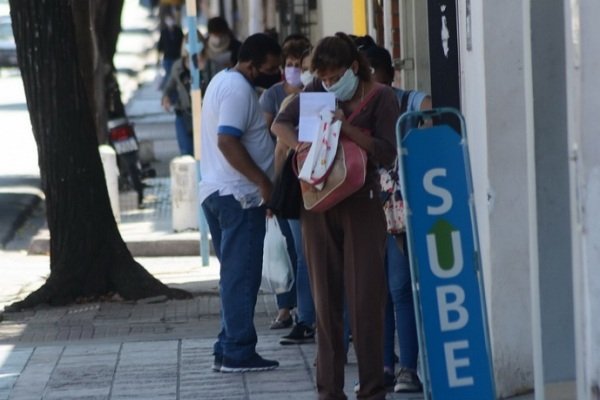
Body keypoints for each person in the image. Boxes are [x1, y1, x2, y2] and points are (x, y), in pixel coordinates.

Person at [272, 32, 399, 399]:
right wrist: (300, 144)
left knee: (365, 303)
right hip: (318, 202)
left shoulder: (381, 97)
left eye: (334, 76)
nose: (328, 83)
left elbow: (386, 152)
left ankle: (372, 389)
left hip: (362, 202)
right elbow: (278, 123)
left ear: (353, 68)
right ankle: (329, 390)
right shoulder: (313, 93)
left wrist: (346, 128)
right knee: (325, 304)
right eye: (323, 77)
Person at [199, 33, 282, 373]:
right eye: (271, 68)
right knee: (241, 277)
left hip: (223, 193)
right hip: (239, 197)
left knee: (234, 276)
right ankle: (237, 350)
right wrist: (263, 181)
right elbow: (227, 141)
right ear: (252, 64)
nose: (274, 74)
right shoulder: (236, 89)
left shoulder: (223, 82)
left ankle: (228, 344)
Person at [362, 42, 431, 393]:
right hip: (369, 209)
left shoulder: (406, 101)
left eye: (376, 74)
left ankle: (408, 368)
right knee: (380, 293)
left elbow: (431, 109)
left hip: (404, 212)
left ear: (390, 73)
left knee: (401, 288)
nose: (373, 82)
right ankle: (384, 366)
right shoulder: (358, 110)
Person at [259, 37, 316, 342]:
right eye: (296, 67)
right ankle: (304, 316)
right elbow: (278, 140)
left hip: (326, 186)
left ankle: (317, 317)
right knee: (303, 255)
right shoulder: (287, 101)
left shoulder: (324, 98)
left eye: (306, 67)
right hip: (298, 188)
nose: (301, 73)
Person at [161, 34, 200, 156]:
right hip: (184, 114)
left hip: (204, 115)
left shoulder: (208, 65)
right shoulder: (177, 66)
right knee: (187, 152)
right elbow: (169, 85)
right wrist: (165, 97)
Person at [199, 17, 241, 94]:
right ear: (210, 33)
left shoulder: (237, 47)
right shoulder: (203, 47)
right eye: (215, 35)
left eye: (221, 35)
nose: (218, 39)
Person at [157, 14, 184, 89]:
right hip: (167, 57)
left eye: (171, 19)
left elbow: (182, 43)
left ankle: (169, 89)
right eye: (168, 19)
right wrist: (158, 58)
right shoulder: (164, 32)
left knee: (175, 74)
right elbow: (160, 46)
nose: (170, 22)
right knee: (169, 74)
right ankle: (165, 88)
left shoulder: (178, 31)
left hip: (177, 57)